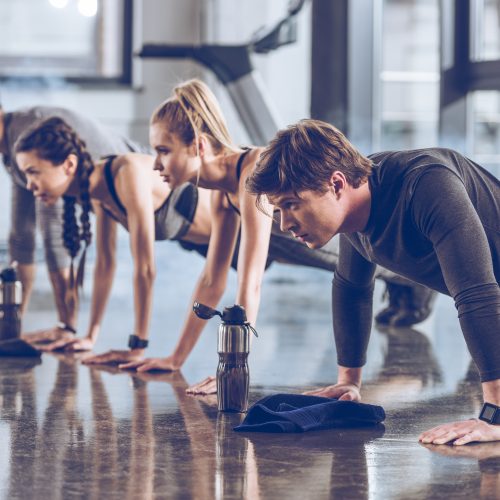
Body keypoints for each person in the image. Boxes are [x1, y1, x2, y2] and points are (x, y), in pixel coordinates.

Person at [117, 79, 436, 393]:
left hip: (335, 238)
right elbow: (212, 281)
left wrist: (234, 367)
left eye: (163, 150)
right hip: (299, 246)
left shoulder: (251, 171)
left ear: (199, 146)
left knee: (389, 265)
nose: (155, 163)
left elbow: (250, 281)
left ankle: (419, 289)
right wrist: (176, 359)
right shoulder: (219, 192)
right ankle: (409, 295)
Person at [245, 119, 500, 445]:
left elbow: (476, 294)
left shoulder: (426, 185)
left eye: (292, 205)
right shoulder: (356, 212)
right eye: (279, 210)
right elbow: (352, 289)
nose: (284, 224)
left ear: (336, 185)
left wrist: (495, 414)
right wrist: (349, 382)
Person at [14, 117, 213, 358]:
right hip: (207, 244)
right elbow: (105, 265)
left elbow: (146, 268)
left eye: (33, 172)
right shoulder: (98, 191)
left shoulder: (126, 174)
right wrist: (90, 337)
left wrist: (137, 347)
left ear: (68, 165)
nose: (29, 185)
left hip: (243, 227)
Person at [0, 104, 146, 342]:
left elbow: (54, 232)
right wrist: (10, 335)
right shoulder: (13, 152)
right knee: (19, 237)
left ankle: (68, 325)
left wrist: (67, 327)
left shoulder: (27, 131)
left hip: (162, 188)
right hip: (115, 206)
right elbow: (21, 237)